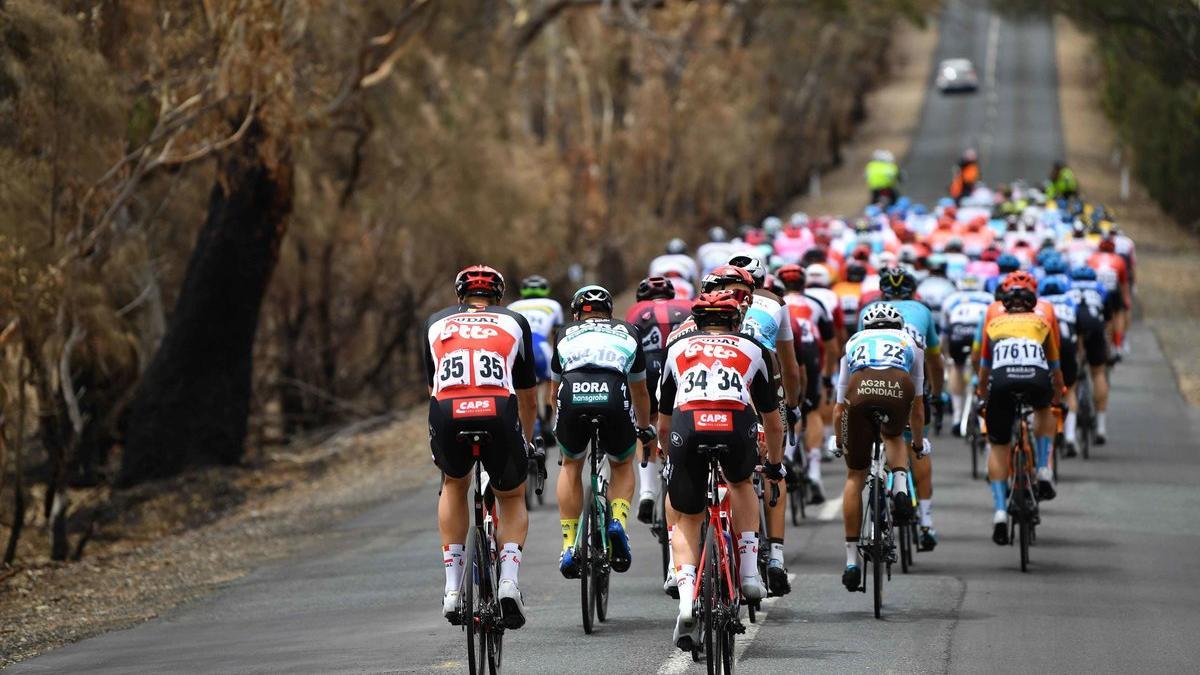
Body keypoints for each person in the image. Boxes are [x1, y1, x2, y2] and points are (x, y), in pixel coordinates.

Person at [657, 290, 783, 650]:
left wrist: (673, 461)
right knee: (741, 483)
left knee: (686, 517)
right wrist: (773, 466)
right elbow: (773, 423)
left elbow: (663, 425)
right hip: (734, 425)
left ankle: (684, 601)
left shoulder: (676, 349)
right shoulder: (752, 348)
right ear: (736, 320)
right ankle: (748, 573)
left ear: (697, 321)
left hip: (687, 426)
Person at [425, 265, 538, 629]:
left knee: (454, 484)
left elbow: (433, 384)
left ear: (460, 296)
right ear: (498, 296)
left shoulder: (435, 322)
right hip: (497, 411)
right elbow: (527, 395)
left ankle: (453, 589)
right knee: (512, 496)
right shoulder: (514, 321)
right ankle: (508, 581)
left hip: (447, 411)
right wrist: (529, 439)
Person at [552, 285, 656, 579]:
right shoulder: (627, 331)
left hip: (573, 392)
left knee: (571, 464)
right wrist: (644, 428)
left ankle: (569, 545)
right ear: (610, 313)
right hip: (612, 392)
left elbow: (552, 392)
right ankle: (618, 523)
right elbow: (640, 391)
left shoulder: (564, 332)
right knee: (622, 463)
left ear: (576, 312)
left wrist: (558, 428)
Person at [723, 254, 804, 594]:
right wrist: (794, 404)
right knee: (774, 466)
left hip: (727, 383)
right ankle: (776, 556)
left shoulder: (715, 301)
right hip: (765, 379)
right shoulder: (776, 303)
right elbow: (790, 364)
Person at [834, 302, 926, 591]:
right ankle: (900, 486)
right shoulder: (911, 342)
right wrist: (920, 443)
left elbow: (838, 408)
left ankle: (851, 561)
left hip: (859, 389)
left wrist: (840, 439)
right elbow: (919, 407)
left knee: (854, 476)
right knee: (895, 436)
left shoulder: (854, 342)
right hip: (898, 385)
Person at [859, 267, 944, 551]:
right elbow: (935, 359)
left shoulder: (868, 310)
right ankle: (926, 521)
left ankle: (874, 489)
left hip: (868, 389)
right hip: (908, 386)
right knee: (918, 447)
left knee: (873, 443)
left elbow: (858, 357)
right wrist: (938, 392)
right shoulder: (922, 310)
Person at [976, 277, 1063, 545]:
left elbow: (984, 370)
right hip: (1035, 379)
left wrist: (982, 395)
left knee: (999, 445)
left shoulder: (993, 324)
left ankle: (1000, 512)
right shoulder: (1041, 323)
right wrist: (1058, 397)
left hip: (1001, 384)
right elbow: (1055, 367)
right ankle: (1043, 469)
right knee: (1045, 410)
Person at [625, 276, 693, 523]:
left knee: (647, 423)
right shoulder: (687, 307)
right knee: (682, 416)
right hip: (681, 366)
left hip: (649, 366)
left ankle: (647, 491)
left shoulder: (635, 311)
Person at [508, 275, 565, 442]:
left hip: (517, 349)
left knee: (520, 389)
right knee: (549, 382)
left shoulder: (512, 306)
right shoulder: (553, 305)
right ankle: (546, 421)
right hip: (540, 346)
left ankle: (531, 425)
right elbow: (557, 335)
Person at [941, 274, 993, 432]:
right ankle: (985, 411)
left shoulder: (951, 299)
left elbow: (945, 332)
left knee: (957, 367)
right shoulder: (988, 298)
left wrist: (947, 355)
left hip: (959, 334)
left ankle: (957, 418)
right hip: (981, 333)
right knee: (986, 367)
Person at [1069, 266, 1111, 444]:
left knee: (1072, 380)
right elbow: (1107, 318)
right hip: (1095, 327)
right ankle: (1101, 427)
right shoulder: (1100, 289)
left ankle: (1070, 432)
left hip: (1075, 327)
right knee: (1099, 373)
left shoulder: (1068, 288)